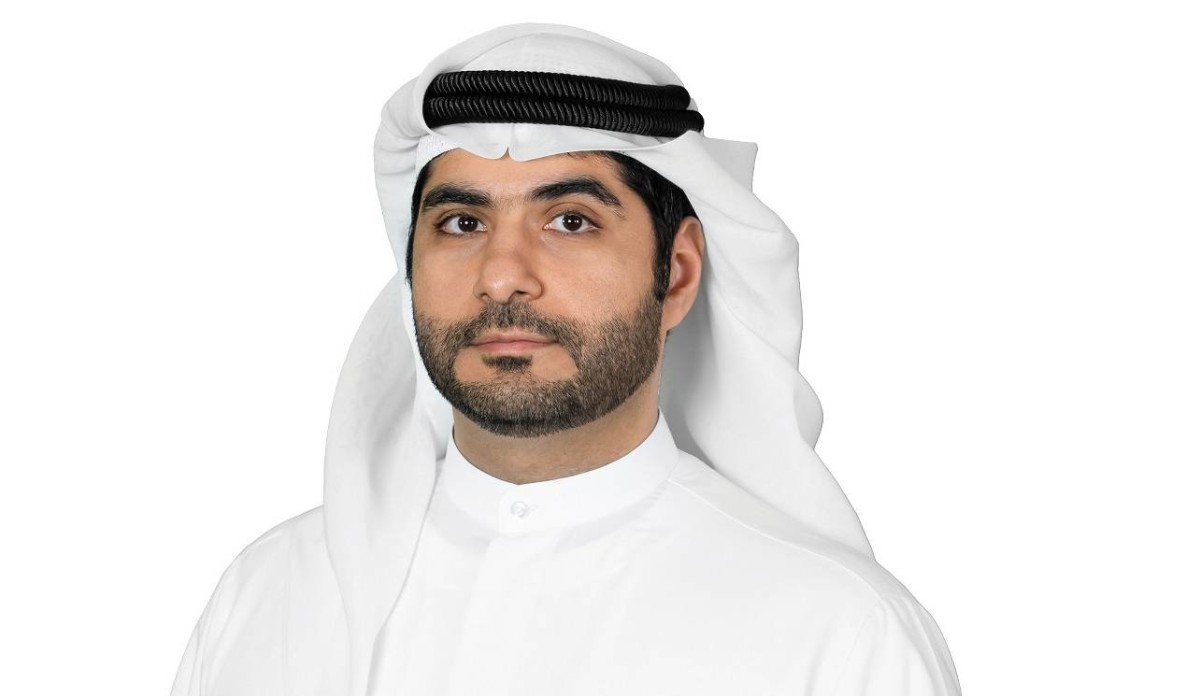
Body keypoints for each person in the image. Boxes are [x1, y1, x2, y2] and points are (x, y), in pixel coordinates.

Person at [170, 23, 961, 696]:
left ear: (677, 274)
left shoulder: (839, 635)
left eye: (571, 220)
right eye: (461, 223)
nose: (502, 275)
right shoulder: (267, 597)